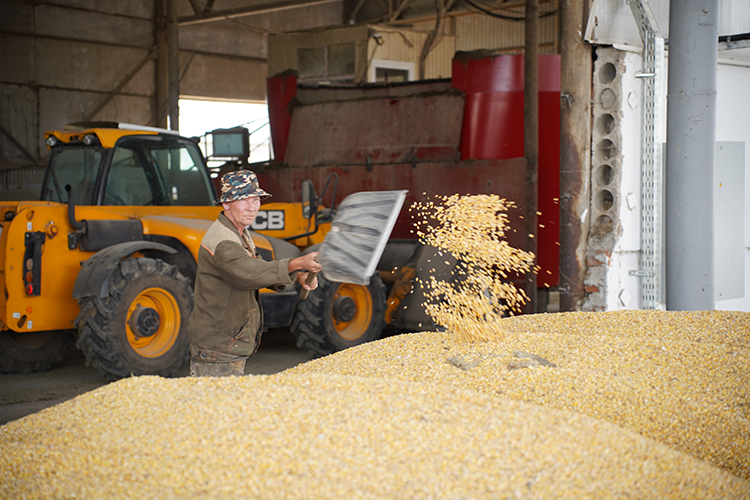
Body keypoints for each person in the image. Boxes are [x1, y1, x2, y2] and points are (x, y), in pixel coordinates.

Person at [187, 170, 322, 377]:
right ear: (226, 203)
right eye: (244, 200)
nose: (253, 207)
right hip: (217, 349)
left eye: (256, 199)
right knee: (218, 406)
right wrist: (298, 262)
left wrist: (298, 276)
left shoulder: (238, 231)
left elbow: (254, 264)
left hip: (227, 344)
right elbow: (248, 272)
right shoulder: (223, 241)